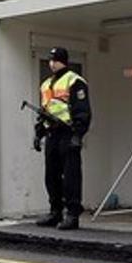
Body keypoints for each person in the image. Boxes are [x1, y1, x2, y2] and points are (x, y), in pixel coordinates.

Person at [33, 47, 91, 230]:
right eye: (50, 60)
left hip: (68, 133)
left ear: (63, 61)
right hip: (52, 134)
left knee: (71, 176)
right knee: (51, 175)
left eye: (55, 60)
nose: (51, 63)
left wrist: (78, 135)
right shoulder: (45, 85)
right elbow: (45, 111)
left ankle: (72, 214)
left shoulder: (75, 81)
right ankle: (55, 211)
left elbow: (83, 111)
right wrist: (38, 132)